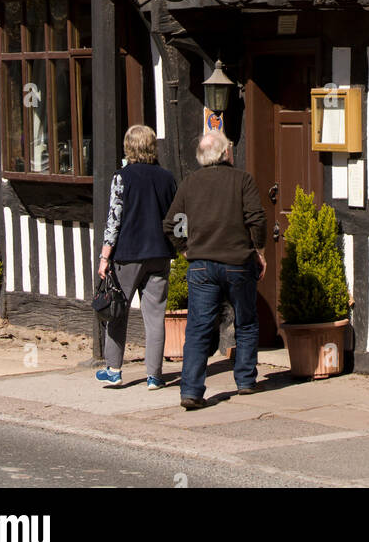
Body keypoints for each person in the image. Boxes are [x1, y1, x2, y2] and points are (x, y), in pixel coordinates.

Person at [163, 130, 267, 410]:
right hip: (237, 263)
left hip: (201, 266)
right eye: (230, 147)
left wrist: (185, 247)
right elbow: (256, 219)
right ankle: (245, 380)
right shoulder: (242, 180)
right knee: (245, 321)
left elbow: (173, 222)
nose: (232, 151)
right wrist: (259, 249)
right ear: (224, 153)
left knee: (198, 328)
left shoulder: (189, 184)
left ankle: (192, 391)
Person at [95, 124, 178, 389]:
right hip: (159, 253)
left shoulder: (122, 177)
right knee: (155, 316)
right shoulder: (167, 178)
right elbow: (178, 218)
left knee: (117, 311)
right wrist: (180, 246)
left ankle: (114, 370)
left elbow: (114, 218)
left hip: (128, 254)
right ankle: (154, 376)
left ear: (129, 147)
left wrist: (105, 256)